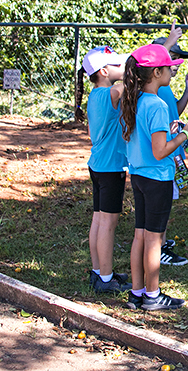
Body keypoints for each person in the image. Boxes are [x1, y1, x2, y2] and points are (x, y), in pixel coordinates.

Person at [121, 44, 188, 310]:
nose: (171, 72)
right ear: (156, 73)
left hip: (139, 176)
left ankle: (137, 292)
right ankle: (152, 296)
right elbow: (160, 151)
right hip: (158, 179)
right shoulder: (157, 104)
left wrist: (171, 132)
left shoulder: (136, 100)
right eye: (169, 68)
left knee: (140, 236)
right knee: (154, 239)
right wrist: (185, 134)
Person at [80, 46, 132, 294]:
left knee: (99, 220)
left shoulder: (95, 95)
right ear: (103, 71)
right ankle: (106, 278)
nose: (122, 68)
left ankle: (98, 271)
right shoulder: (112, 92)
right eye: (117, 64)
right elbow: (133, 77)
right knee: (108, 224)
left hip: (98, 165)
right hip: (111, 168)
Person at [151, 36, 188, 267]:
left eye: (178, 59)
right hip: (164, 153)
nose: (177, 63)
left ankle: (161, 240)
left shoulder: (165, 87)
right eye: (173, 57)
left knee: (167, 199)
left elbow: (174, 112)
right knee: (161, 201)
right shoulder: (155, 90)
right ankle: (157, 248)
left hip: (172, 153)